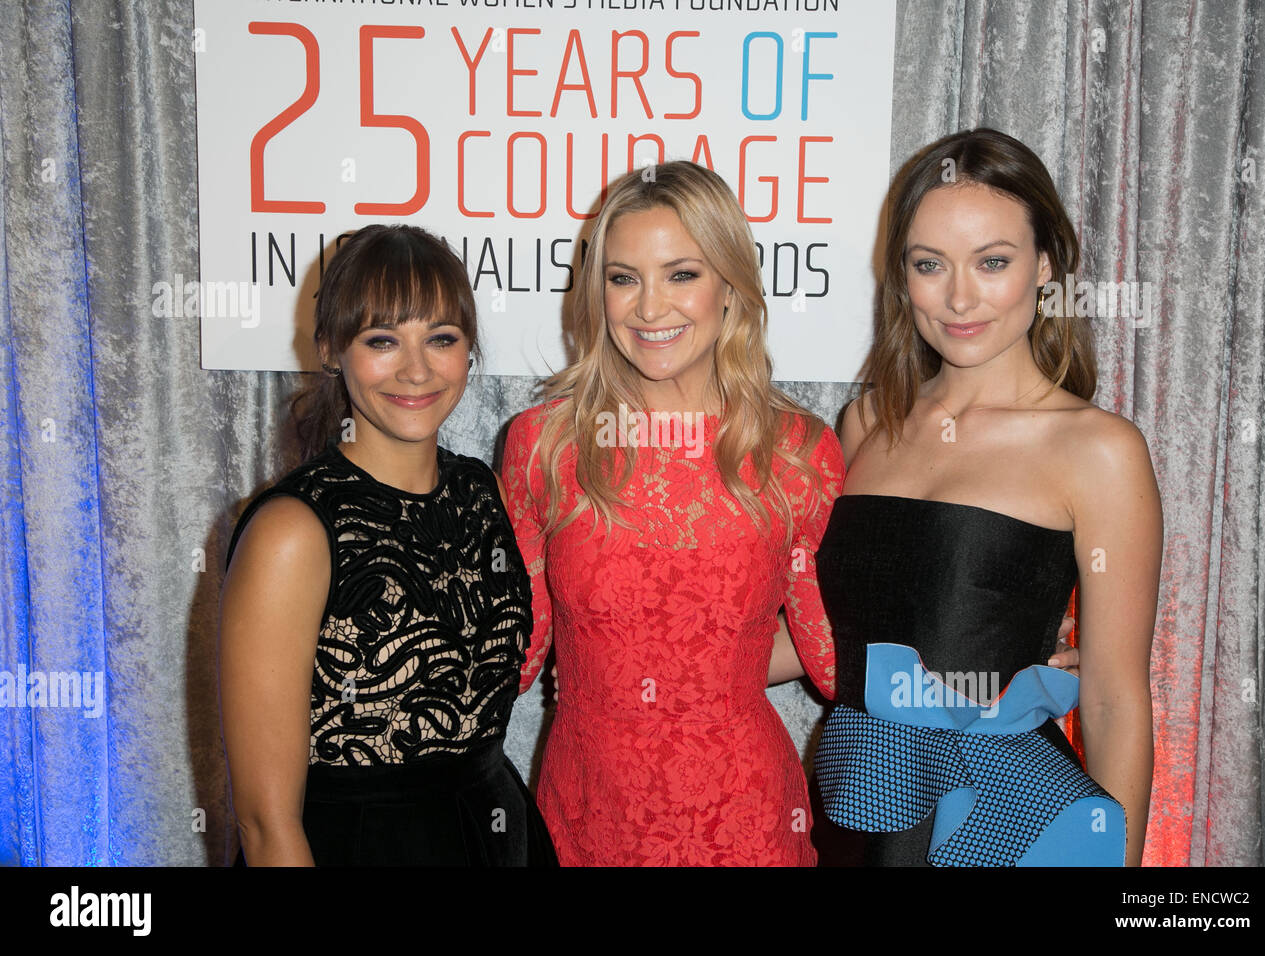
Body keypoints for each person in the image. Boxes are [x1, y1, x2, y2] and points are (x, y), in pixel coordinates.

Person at [813, 128, 1161, 866]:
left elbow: (1113, 701)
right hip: (858, 808)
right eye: (929, 264)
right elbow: (822, 633)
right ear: (901, 277)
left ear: (1045, 265)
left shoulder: (1098, 449)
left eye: (992, 262)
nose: (960, 297)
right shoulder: (867, 422)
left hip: (1006, 822)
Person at [501, 161, 844, 865]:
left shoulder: (798, 452)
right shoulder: (545, 445)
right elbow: (517, 655)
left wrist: (992, 649)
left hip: (744, 819)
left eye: (681, 274)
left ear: (730, 287)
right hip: (589, 813)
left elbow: (833, 660)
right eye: (623, 278)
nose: (649, 309)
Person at [219, 224, 556, 866]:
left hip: (496, 836)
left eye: (441, 338)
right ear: (329, 348)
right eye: (382, 340)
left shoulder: (481, 491)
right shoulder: (290, 531)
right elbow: (266, 826)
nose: (417, 369)